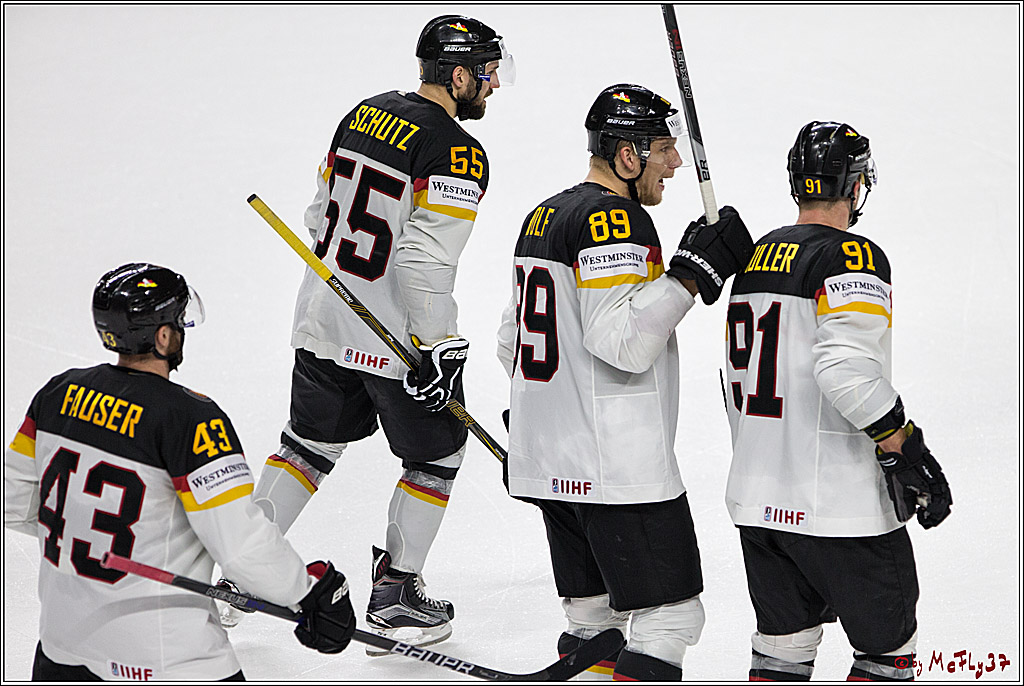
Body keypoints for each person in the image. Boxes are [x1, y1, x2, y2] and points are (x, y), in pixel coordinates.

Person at [219, 15, 515, 653]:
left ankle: (241, 571)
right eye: (487, 72)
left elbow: (315, 213)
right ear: (458, 74)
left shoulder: (362, 115)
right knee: (437, 456)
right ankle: (398, 591)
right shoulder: (458, 152)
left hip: (324, 317)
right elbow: (421, 262)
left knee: (305, 448)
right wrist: (438, 348)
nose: (493, 84)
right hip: (396, 341)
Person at [496, 84, 754, 681]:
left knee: (594, 622)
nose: (676, 163)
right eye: (663, 148)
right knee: (670, 619)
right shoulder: (614, 219)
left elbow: (511, 342)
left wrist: (549, 414)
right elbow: (625, 343)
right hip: (618, 470)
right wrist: (690, 276)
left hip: (549, 461)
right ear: (627, 156)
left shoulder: (546, 214)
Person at [3, 263, 355, 681]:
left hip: (63, 651)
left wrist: (92, 539)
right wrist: (308, 592)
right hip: (169, 661)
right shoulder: (192, 420)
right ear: (164, 337)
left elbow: (16, 505)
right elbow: (241, 548)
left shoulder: (57, 394)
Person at [722, 121, 953, 681]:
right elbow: (846, 370)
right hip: (841, 510)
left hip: (760, 505)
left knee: (782, 654)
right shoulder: (853, 257)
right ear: (854, 185)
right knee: (886, 657)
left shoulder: (753, 261)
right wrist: (906, 446)